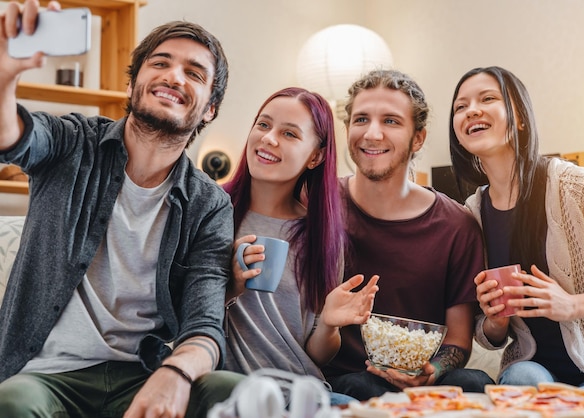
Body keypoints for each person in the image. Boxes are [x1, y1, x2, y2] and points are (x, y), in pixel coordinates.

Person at [0, 1, 242, 416]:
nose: (173, 76)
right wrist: (4, 78)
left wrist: (177, 373)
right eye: (160, 63)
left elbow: (204, 326)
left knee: (234, 392)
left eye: (194, 73)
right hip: (45, 376)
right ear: (133, 85)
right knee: (12, 404)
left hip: (143, 374)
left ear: (210, 109)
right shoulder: (72, 142)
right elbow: (13, 137)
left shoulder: (209, 204)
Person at [449, 66, 584, 400]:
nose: (471, 110)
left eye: (487, 98)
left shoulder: (577, 187)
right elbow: (488, 337)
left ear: (520, 119)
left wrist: (575, 305)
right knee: (517, 382)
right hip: (532, 365)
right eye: (460, 107)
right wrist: (495, 320)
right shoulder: (469, 215)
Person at [321, 69, 494, 401]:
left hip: (423, 382)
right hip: (345, 383)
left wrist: (434, 372)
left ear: (418, 138)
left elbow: (458, 339)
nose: (372, 134)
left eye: (390, 121)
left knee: (475, 382)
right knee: (361, 388)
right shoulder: (318, 207)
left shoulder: (457, 225)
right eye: (361, 120)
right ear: (347, 129)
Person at [222, 87, 379, 405]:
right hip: (232, 390)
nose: (268, 139)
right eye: (263, 125)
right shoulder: (214, 210)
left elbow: (316, 354)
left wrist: (329, 325)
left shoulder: (321, 235)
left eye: (289, 134)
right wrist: (230, 286)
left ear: (315, 156)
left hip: (303, 393)